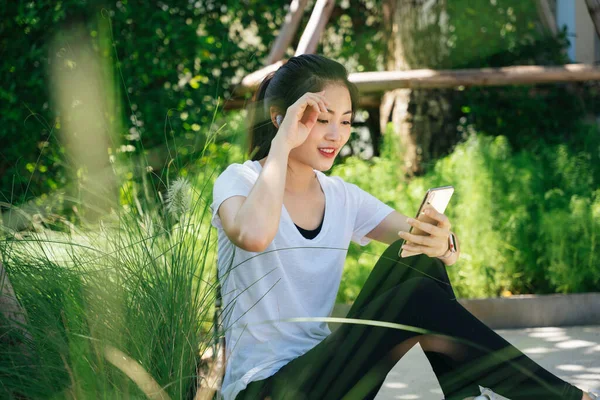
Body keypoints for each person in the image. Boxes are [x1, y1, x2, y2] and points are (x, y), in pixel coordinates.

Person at [210, 54, 596, 400]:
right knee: (415, 290)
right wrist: (281, 144)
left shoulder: (341, 196)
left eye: (344, 121)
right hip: (266, 390)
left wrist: (443, 244)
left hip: (329, 377)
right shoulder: (239, 181)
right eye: (320, 120)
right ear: (281, 117)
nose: (336, 135)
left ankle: (464, 397)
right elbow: (255, 236)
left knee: (416, 257)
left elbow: (421, 240)